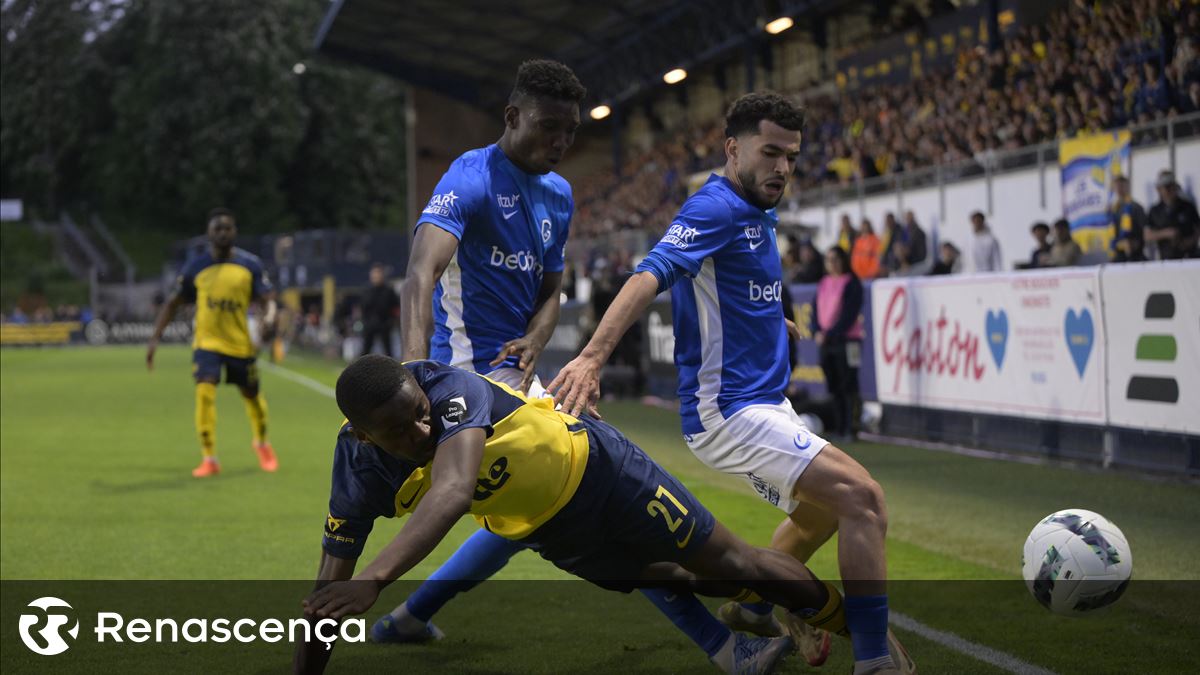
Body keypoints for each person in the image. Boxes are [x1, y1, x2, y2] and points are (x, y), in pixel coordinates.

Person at [382, 60, 758, 671]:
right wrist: (417, 373)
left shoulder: (559, 193)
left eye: (569, 132)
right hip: (467, 387)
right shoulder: (470, 177)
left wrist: (536, 336)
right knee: (601, 501)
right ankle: (728, 640)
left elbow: (551, 289)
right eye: (548, 126)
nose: (560, 142)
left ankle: (407, 617)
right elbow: (419, 275)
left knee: (524, 523)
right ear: (512, 117)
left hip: (517, 382)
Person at [549, 92, 914, 675]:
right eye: (770, 153)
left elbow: (735, 286)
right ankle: (874, 659)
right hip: (730, 411)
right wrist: (592, 356)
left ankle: (751, 605)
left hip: (765, 402)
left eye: (791, 156)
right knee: (863, 499)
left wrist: (774, 319)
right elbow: (650, 275)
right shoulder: (713, 208)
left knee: (819, 515)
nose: (782, 168)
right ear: (732, 148)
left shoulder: (758, 210)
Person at [295, 356, 832, 674]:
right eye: (399, 431)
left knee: (734, 562)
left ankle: (866, 635)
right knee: (690, 580)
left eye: (420, 413)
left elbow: (454, 488)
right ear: (363, 437)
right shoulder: (359, 476)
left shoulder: (447, 390)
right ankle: (762, 609)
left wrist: (376, 579)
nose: (421, 432)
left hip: (604, 471)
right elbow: (326, 588)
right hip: (550, 529)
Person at [146, 208, 278, 477]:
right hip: (206, 342)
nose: (222, 233)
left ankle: (262, 443)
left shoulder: (249, 265)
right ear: (208, 233)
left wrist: (269, 318)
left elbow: (268, 301)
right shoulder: (196, 267)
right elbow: (172, 304)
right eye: (217, 228)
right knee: (204, 392)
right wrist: (154, 339)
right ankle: (209, 457)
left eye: (227, 228)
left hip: (241, 344)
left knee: (251, 396)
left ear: (235, 232)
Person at [812, 246, 863, 439]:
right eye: (828, 259)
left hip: (848, 341)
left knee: (848, 384)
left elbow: (849, 315)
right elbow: (815, 310)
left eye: (835, 259)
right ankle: (839, 427)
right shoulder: (824, 282)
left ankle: (852, 427)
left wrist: (830, 333)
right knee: (833, 385)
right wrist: (817, 330)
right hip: (827, 341)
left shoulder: (852, 283)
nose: (831, 263)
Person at [1146, 170, 1200, 259]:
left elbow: (1198, 228)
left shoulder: (1187, 206)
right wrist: (1166, 233)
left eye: (1172, 186)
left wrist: (1190, 241)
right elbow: (1147, 235)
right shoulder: (1155, 210)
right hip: (1167, 258)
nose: (1170, 190)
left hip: (1190, 256)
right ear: (1159, 189)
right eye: (1166, 187)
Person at [360, 263, 400, 357]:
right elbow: (363, 307)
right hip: (369, 324)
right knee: (365, 349)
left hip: (384, 324)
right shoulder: (367, 291)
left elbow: (395, 307)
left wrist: (391, 321)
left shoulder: (389, 291)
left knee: (388, 350)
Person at [1107, 175, 1147, 263]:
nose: (1119, 189)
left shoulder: (1136, 207)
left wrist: (1135, 243)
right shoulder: (1113, 210)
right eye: (1117, 186)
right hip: (1118, 255)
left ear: (1127, 187)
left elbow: (1145, 232)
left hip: (1135, 256)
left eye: (1122, 186)